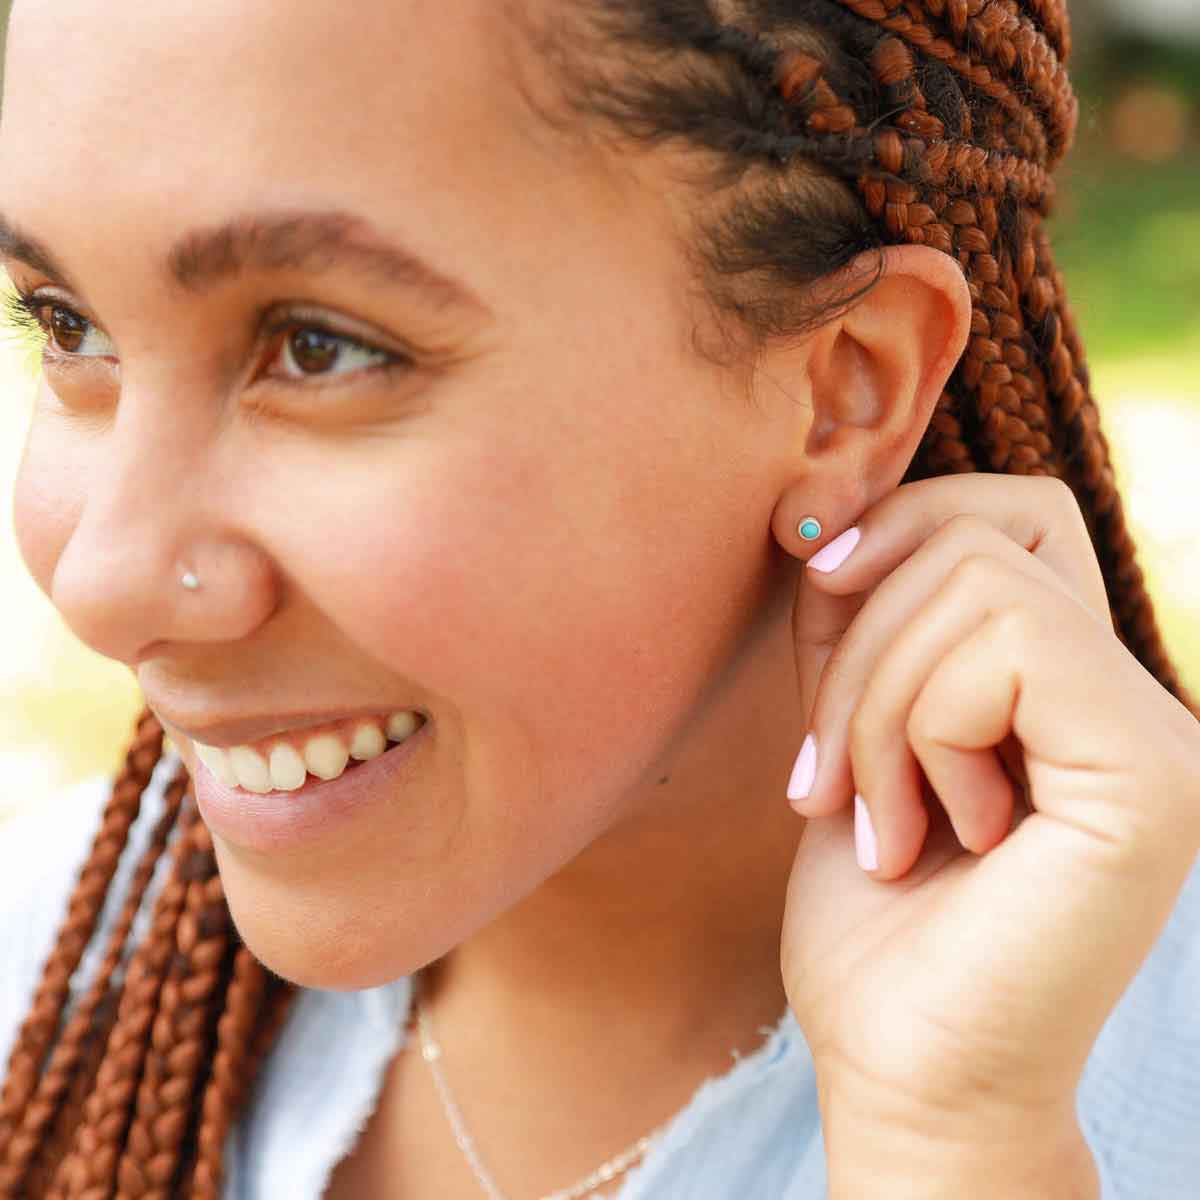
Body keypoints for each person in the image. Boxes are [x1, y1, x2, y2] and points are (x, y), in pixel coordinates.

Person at [0, 0, 1197, 1196]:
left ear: (843, 390)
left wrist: (954, 1153)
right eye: (69, 326)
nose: (105, 584)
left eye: (320, 347)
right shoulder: (45, 974)